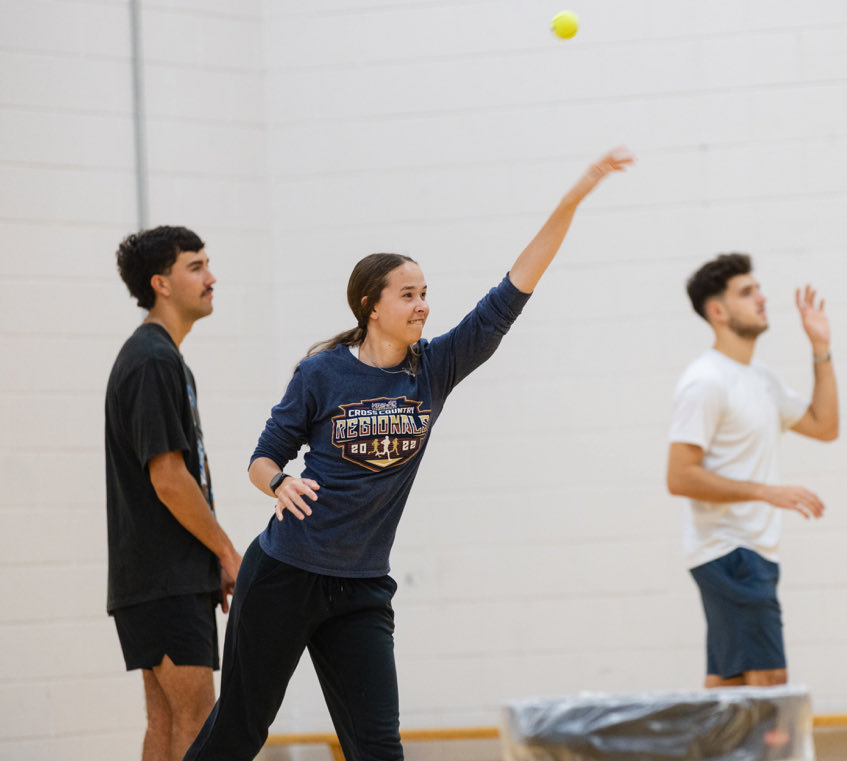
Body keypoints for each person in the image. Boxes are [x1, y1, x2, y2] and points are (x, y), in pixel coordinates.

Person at [182, 148, 634, 761]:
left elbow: (515, 288)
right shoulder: (321, 374)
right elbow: (263, 458)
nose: (422, 304)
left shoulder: (436, 368)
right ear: (372, 305)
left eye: (425, 293)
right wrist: (277, 483)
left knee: (377, 748)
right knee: (239, 730)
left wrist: (574, 197)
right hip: (284, 574)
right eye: (408, 294)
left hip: (362, 586)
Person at [666, 252, 839, 688]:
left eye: (758, 289)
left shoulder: (760, 378)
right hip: (729, 552)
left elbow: (825, 425)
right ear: (718, 311)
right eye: (747, 292)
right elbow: (680, 476)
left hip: (751, 553)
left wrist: (821, 349)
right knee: (769, 686)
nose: (762, 298)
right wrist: (766, 492)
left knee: (733, 687)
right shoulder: (705, 381)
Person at [105, 225, 244, 761]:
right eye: (196, 267)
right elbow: (169, 479)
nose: (211, 278)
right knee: (198, 723)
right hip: (166, 580)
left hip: (155, 580)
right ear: (161, 283)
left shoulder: (158, 356)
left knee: (166, 723)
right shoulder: (153, 360)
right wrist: (225, 551)